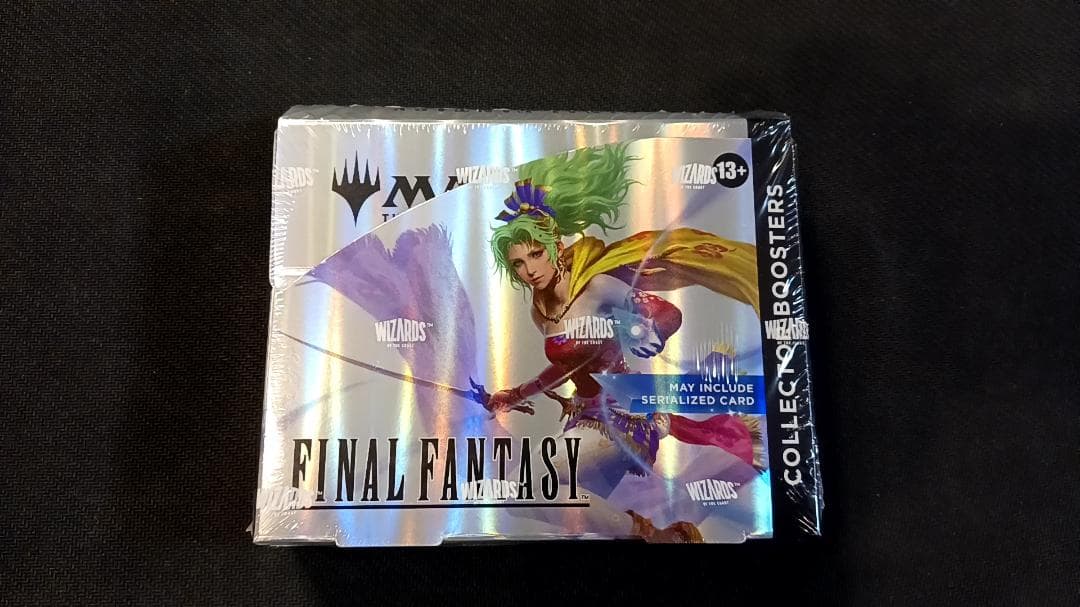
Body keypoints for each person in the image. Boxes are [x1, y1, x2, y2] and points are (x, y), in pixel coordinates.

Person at [485, 143, 764, 542]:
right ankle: (666, 538)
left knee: (522, 488)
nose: (529, 270)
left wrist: (651, 331)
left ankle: (653, 536)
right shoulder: (539, 309)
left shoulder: (597, 288)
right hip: (584, 420)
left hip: (621, 420)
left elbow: (666, 313)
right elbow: (565, 367)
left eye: (535, 255)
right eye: (518, 263)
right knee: (555, 511)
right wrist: (513, 395)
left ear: (556, 248)